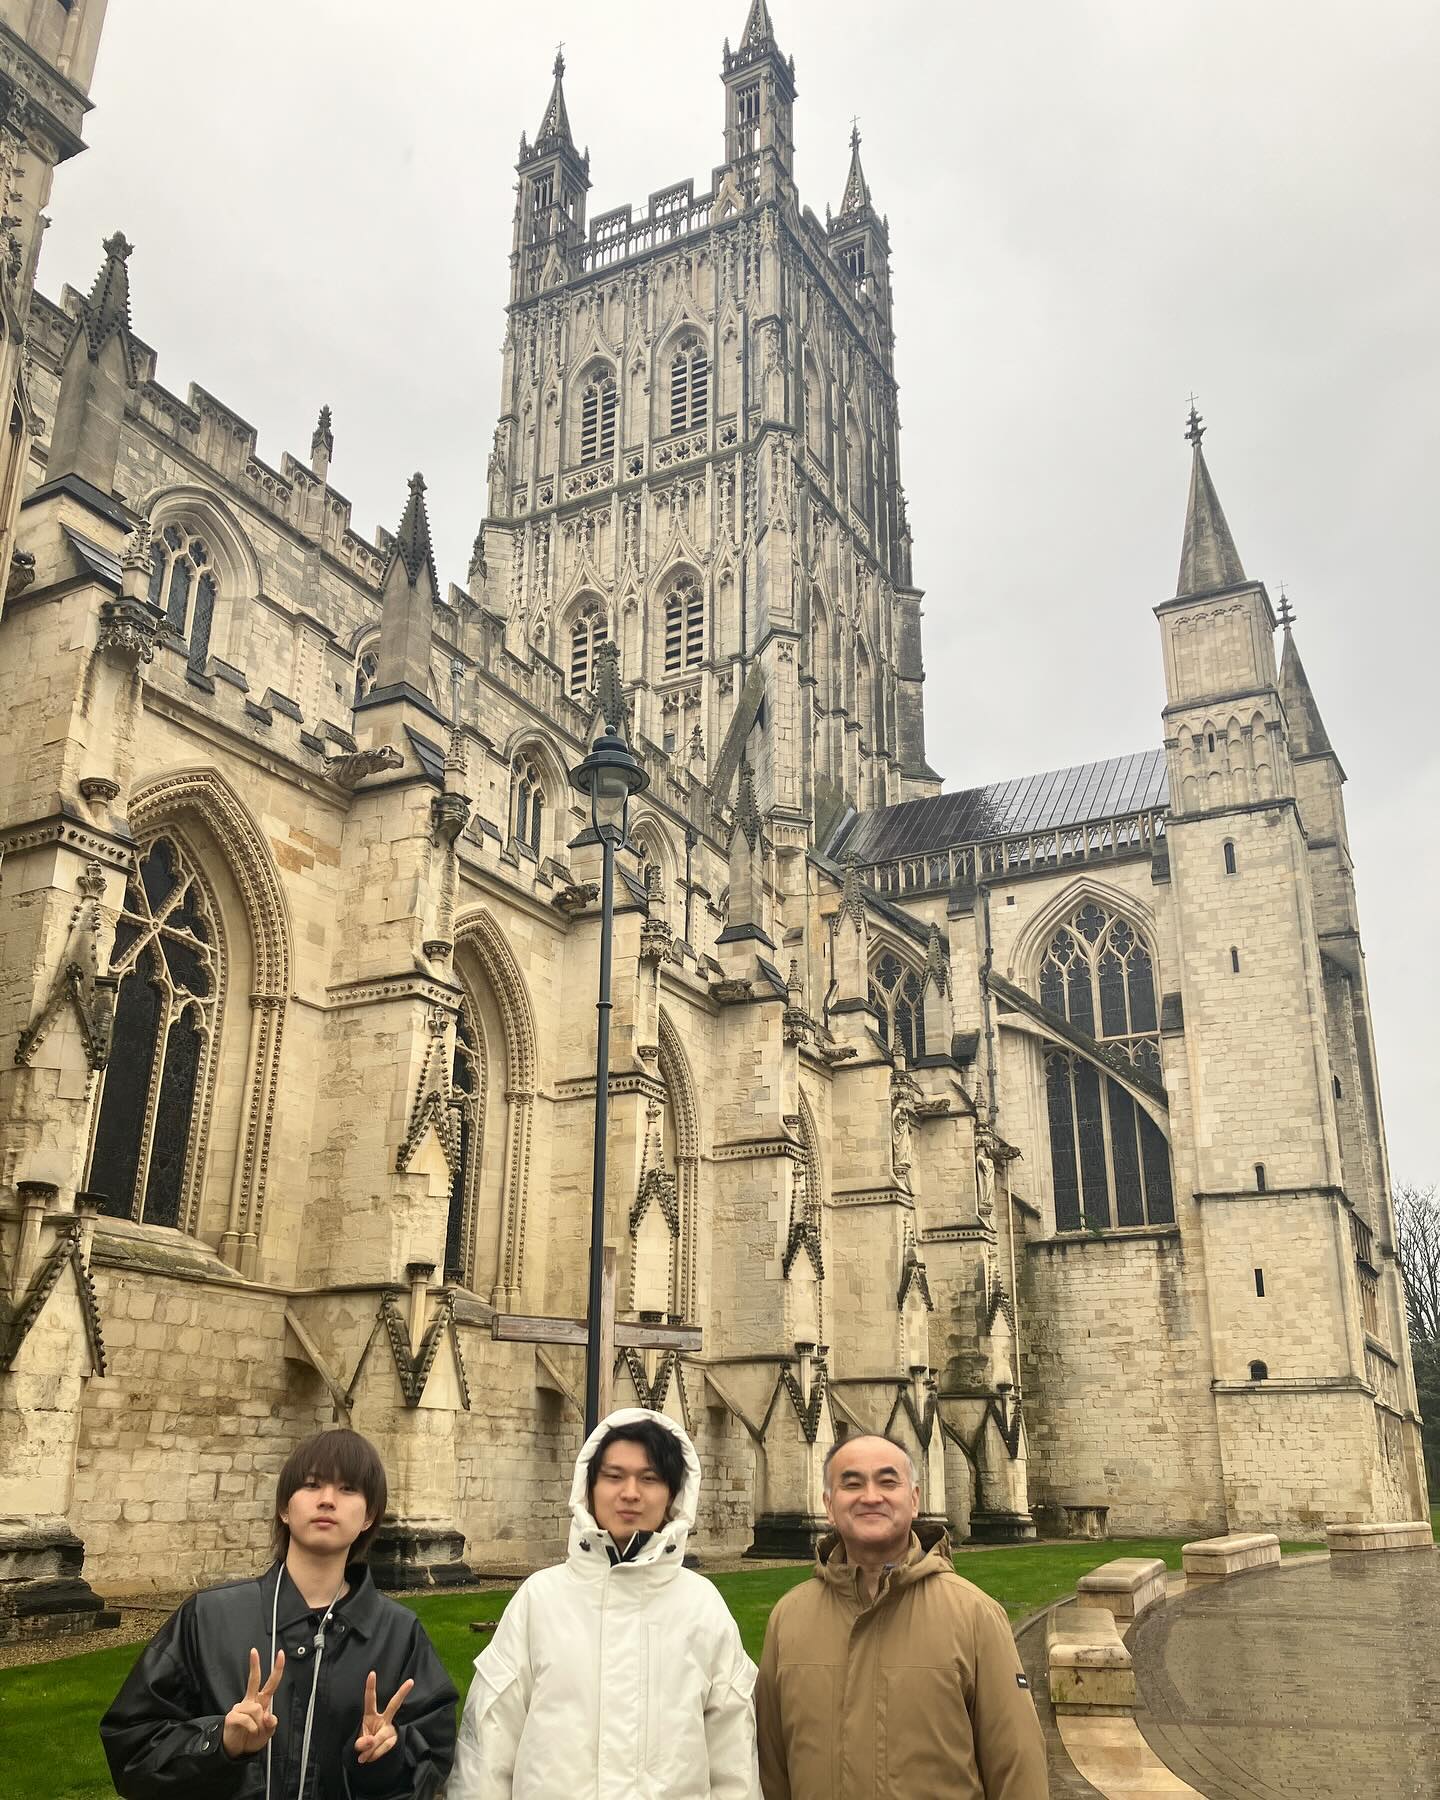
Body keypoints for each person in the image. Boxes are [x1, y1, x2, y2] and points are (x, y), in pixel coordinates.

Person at [100, 1427, 457, 1798]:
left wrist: (387, 1755)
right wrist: (219, 1741)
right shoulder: (209, 1617)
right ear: (285, 1509)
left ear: (369, 1517)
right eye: (311, 1485)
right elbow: (133, 1748)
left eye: (348, 1489)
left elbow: (432, 1766)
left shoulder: (399, 1635)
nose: (327, 1500)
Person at [448, 1405, 760, 1799]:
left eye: (649, 1478)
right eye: (614, 1477)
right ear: (589, 1488)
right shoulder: (540, 1599)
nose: (630, 1493)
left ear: (673, 1495)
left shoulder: (702, 1606)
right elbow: (489, 1745)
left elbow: (734, 1756)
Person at [755, 1433, 1048, 1800]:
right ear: (829, 1505)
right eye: (852, 1484)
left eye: (887, 1481)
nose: (871, 1496)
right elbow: (771, 1767)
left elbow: (1016, 1764)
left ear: (914, 1500)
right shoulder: (788, 1618)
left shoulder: (975, 1614)